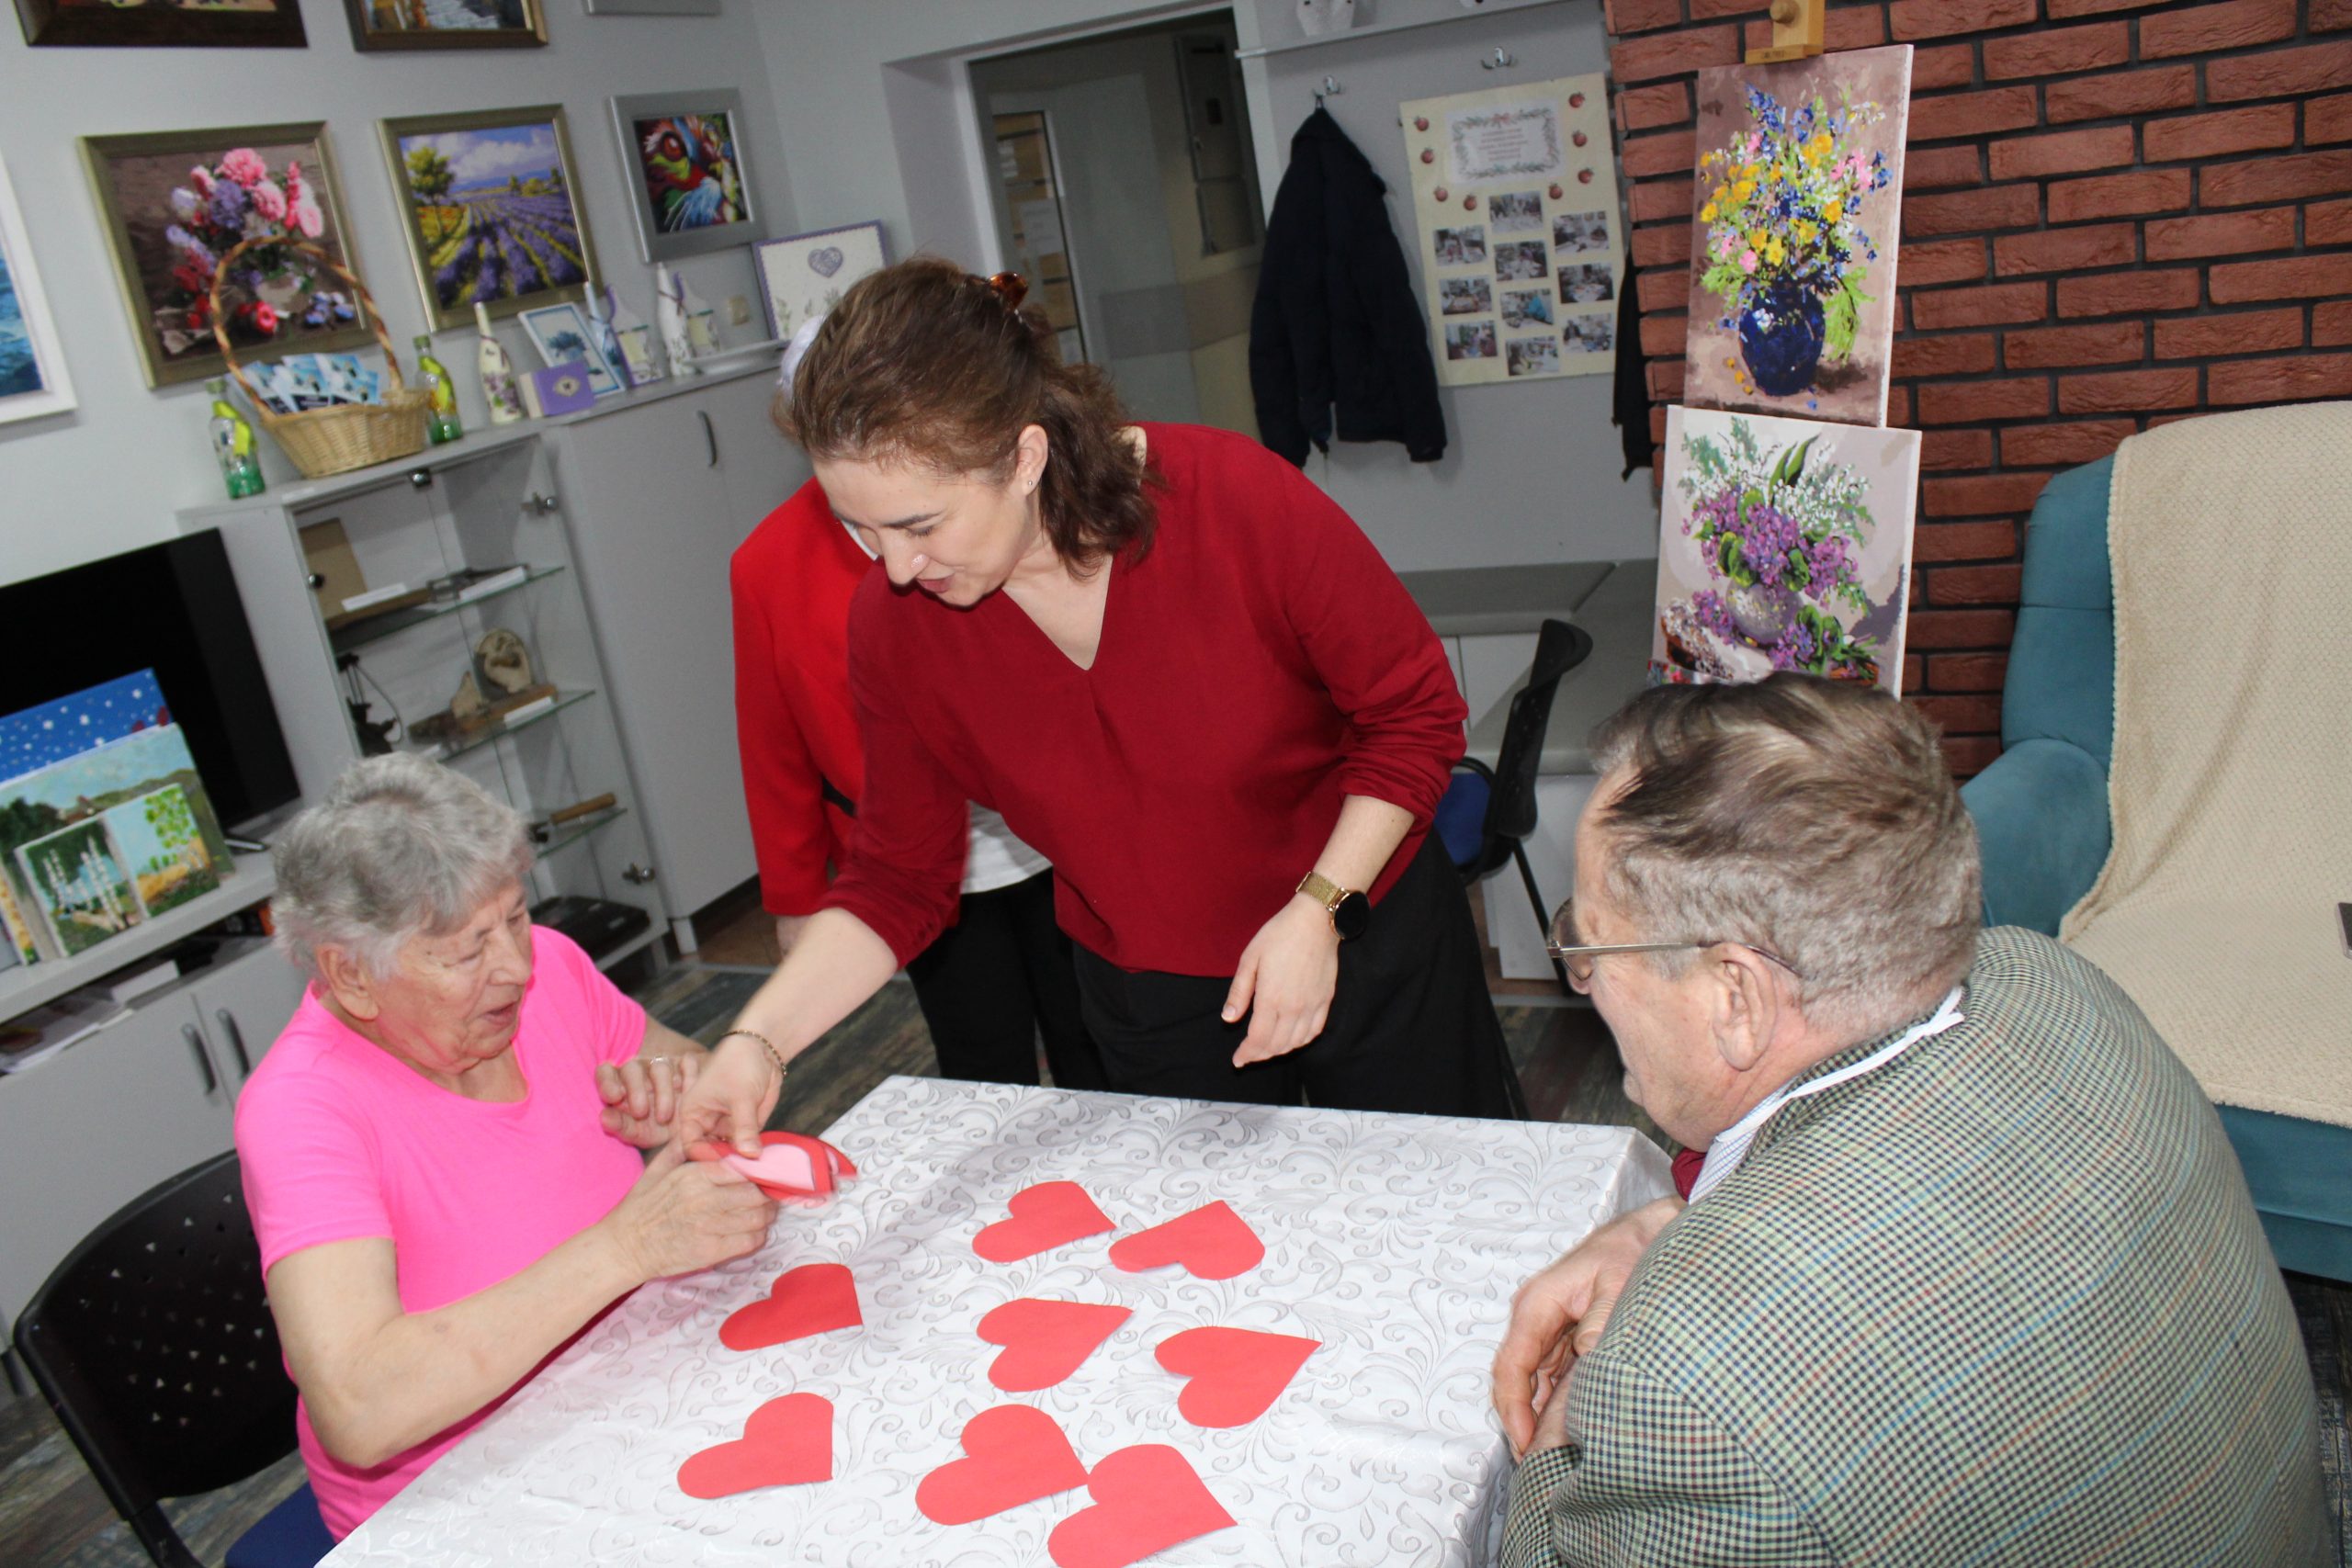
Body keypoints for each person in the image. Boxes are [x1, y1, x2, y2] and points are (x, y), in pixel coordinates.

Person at [681, 256, 1521, 1154]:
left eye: (919, 526)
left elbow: (1412, 717)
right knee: (1221, 1263)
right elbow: (898, 878)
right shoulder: (898, 627)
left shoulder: (1233, 501)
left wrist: (1317, 909)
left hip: (1362, 931)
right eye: (859, 528)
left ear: (1024, 456)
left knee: (1431, 1221)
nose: (891, 567)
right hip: (1152, 993)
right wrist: (754, 1042)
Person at [1489, 675, 2329, 1567]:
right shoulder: (2052, 979)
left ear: (1736, 997)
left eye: (1588, 943)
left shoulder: (1691, 1388)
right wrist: (1674, 1226)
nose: (1584, 979)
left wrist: (1560, 1440)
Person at [234, 755, 775, 1540]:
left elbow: (693, 1071)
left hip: (632, 1396)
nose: (516, 968)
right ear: (349, 973)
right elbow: (361, 1403)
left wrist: (679, 1097)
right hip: (464, 1499)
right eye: (464, 952)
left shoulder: (549, 965)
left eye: (515, 917)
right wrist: (626, 1248)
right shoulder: (302, 1110)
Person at [732, 470, 1104, 1090]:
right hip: (917, 862)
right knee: (980, 1061)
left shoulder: (995, 506)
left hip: (1057, 833)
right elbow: (773, 740)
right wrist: (796, 897)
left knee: (1093, 1036)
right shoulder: (768, 561)